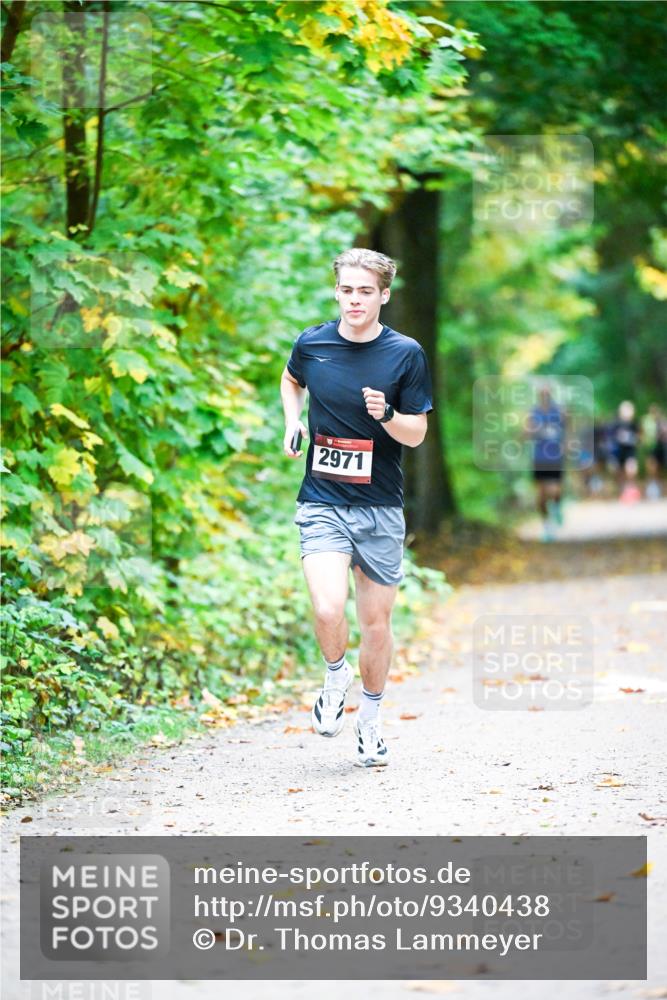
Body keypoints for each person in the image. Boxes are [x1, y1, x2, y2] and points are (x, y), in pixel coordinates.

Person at [280, 248, 433, 767]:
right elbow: (291, 379)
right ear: (336, 291)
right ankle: (333, 674)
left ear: (384, 295)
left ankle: (370, 721)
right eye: (346, 289)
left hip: (380, 508)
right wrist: (292, 420)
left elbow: (416, 434)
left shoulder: (405, 353)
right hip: (322, 499)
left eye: (365, 291)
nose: (354, 300)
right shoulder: (313, 342)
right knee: (327, 607)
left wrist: (387, 413)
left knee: (375, 622)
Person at [526, 383, 566, 541]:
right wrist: (532, 430)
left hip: (555, 457)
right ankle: (547, 527)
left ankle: (556, 508)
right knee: (541, 494)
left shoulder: (560, 412)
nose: (544, 396)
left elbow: (568, 431)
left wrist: (567, 446)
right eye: (542, 393)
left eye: (547, 393)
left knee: (554, 490)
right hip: (539, 457)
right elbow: (525, 433)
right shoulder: (533, 413)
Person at [611, 400, 641, 503]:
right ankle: (623, 492)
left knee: (631, 470)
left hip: (630, 451)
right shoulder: (616, 423)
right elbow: (611, 437)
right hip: (619, 452)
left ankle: (632, 490)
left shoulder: (634, 423)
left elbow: (639, 437)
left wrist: (633, 439)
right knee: (620, 473)